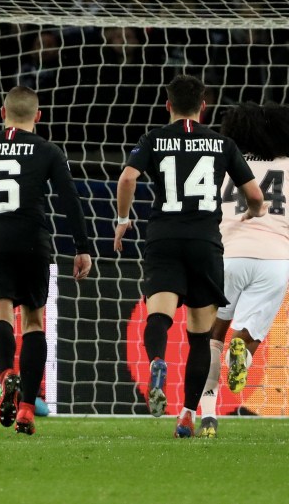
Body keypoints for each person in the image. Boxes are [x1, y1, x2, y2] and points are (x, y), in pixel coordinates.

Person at [113, 74, 266, 438]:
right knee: (200, 337)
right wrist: (252, 212)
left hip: (163, 238)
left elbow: (127, 179)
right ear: (204, 106)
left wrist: (122, 219)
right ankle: (186, 415)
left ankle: (156, 362)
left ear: (167, 105)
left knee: (159, 315)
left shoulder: (152, 139)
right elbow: (255, 196)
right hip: (204, 243)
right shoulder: (222, 143)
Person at [0, 85, 93, 435]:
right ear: (38, 116)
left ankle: (7, 374)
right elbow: (71, 201)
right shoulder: (48, 150)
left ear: (1, 113)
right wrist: (82, 247)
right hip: (33, 245)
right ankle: (26, 408)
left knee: (0, 314)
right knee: (34, 323)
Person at [196, 103, 289, 438]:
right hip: (276, 260)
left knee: (211, 337)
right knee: (248, 336)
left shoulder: (224, 162)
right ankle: (244, 356)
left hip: (227, 256)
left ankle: (207, 412)